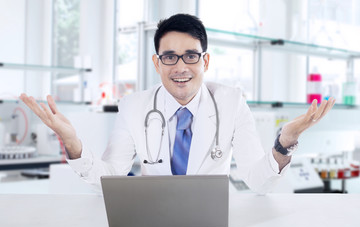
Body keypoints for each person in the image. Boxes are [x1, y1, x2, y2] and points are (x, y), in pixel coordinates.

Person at [20, 13, 335, 193]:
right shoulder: (133, 106)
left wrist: (285, 141)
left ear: (205, 61)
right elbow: (109, 177)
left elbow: (258, 182)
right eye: (169, 57)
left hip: (213, 226)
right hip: (153, 223)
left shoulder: (231, 102)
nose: (181, 67)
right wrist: (72, 142)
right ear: (157, 64)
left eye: (191, 56)